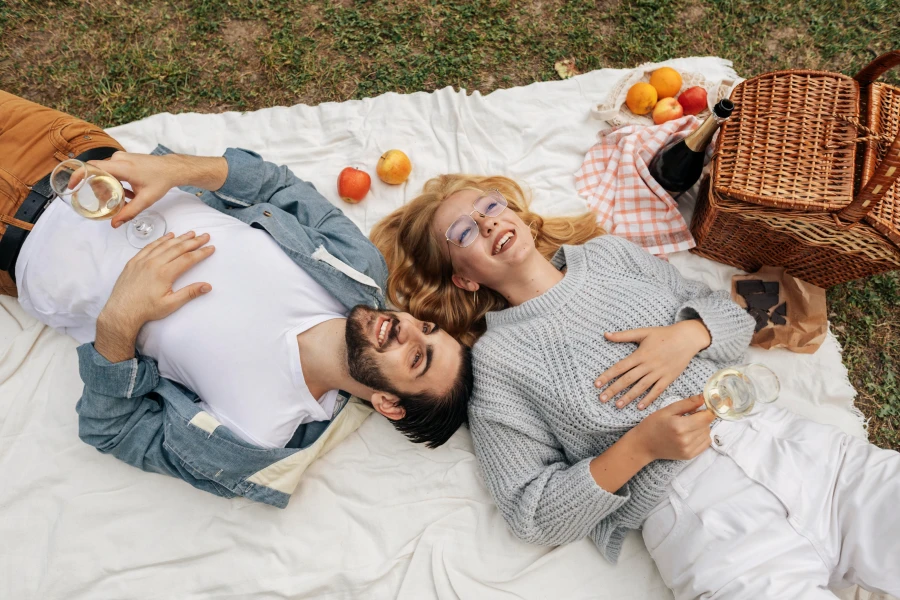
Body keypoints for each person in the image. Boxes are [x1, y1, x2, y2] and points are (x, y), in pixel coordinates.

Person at [370, 174, 900, 599]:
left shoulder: (610, 255)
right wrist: (642, 447)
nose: (486, 223)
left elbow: (731, 317)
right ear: (464, 278)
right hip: (708, 523)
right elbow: (530, 512)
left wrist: (689, 335)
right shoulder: (496, 365)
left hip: (800, 452)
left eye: (488, 206)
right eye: (463, 233)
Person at [0, 91, 471, 508]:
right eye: (428, 328)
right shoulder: (356, 267)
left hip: (17, 247)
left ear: (389, 403)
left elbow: (110, 429)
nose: (409, 328)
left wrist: (120, 322)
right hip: (67, 150)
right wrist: (178, 169)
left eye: (417, 358)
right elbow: (276, 187)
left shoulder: (252, 441)